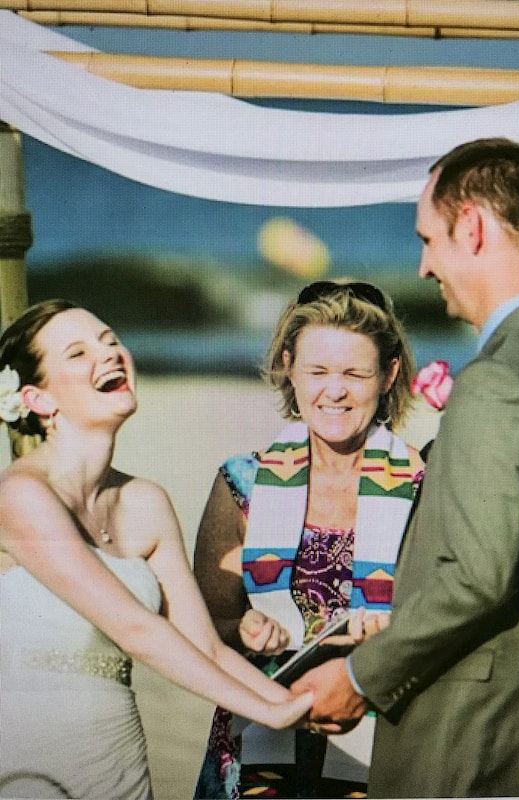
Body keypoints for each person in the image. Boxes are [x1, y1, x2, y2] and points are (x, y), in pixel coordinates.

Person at [291, 138, 519, 797]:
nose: (426, 265)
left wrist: (359, 679)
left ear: (474, 228)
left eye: (429, 239)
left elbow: (479, 579)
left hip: (478, 745)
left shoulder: (498, 382)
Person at [0, 299, 313, 800]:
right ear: (38, 399)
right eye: (78, 353)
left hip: (118, 759)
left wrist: (297, 701)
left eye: (110, 340)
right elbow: (134, 627)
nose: (110, 355)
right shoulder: (21, 495)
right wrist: (272, 712)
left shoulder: (145, 501)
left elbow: (204, 646)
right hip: (33, 764)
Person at [192, 280, 424, 799]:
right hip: (260, 741)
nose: (334, 391)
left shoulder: (424, 485)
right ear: (288, 367)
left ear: (388, 376)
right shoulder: (242, 484)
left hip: (382, 739)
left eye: (354, 373)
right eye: (317, 371)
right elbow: (205, 624)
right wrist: (243, 626)